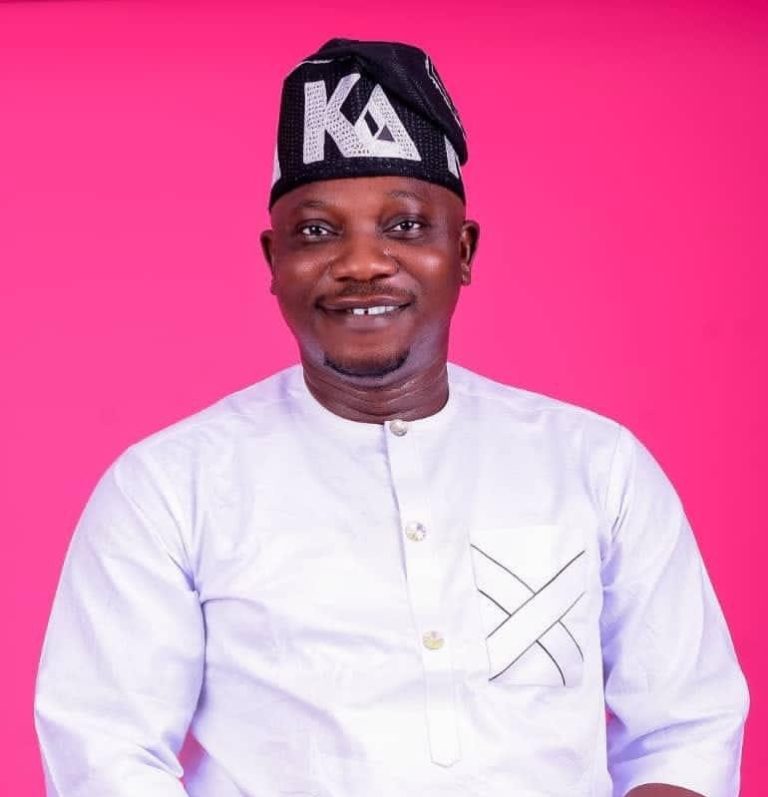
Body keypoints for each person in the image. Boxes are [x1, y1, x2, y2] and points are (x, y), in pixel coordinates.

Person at [34, 38, 748, 797]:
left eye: (404, 226)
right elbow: (104, 751)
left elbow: (685, 731)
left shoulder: (597, 466)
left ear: (463, 250)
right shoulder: (169, 486)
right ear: (273, 261)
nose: (362, 263)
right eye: (317, 232)